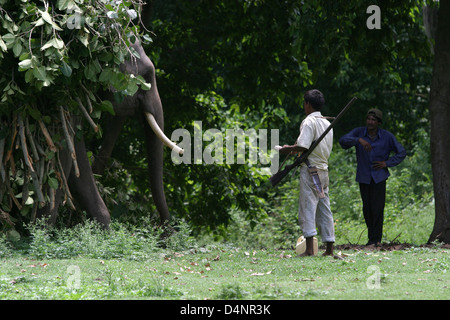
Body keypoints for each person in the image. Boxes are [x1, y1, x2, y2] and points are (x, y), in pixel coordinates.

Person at [279, 89, 338, 258]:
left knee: (307, 207)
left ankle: (310, 250)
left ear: (307, 104)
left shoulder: (309, 121)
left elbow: (303, 146)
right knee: (324, 208)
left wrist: (288, 149)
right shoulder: (326, 123)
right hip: (323, 170)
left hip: (310, 169)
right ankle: (329, 249)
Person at [339, 108, 406, 246]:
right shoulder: (359, 132)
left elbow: (401, 152)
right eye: (368, 119)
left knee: (377, 208)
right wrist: (359, 140)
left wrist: (386, 163)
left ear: (378, 123)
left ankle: (376, 240)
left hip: (379, 177)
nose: (370, 122)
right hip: (364, 176)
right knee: (367, 209)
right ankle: (371, 238)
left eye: (373, 120)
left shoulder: (387, 136)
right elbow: (342, 141)